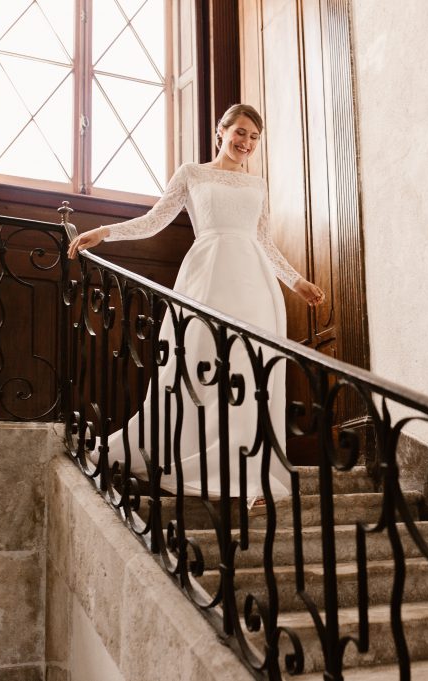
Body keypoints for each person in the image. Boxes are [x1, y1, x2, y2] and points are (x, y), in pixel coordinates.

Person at [67, 104, 324, 505]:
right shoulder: (192, 174)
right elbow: (154, 220)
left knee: (249, 370)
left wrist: (296, 281)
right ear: (221, 131)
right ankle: (190, 459)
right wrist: (105, 232)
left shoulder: (257, 186)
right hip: (207, 277)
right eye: (240, 132)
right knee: (197, 368)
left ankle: (246, 470)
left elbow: (264, 242)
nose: (246, 143)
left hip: (255, 285)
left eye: (254, 137)